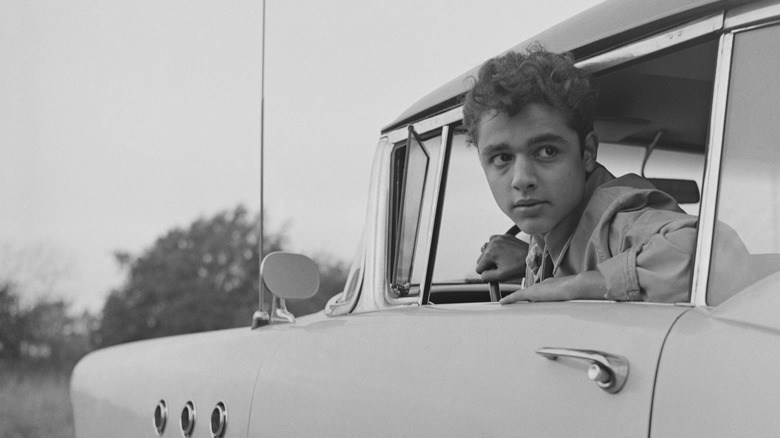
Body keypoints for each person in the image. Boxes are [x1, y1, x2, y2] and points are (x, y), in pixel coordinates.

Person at [463, 45, 698, 304]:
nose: (521, 180)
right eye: (502, 158)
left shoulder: (618, 223)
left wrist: (570, 287)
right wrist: (532, 261)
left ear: (587, 152)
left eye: (546, 151)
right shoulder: (553, 224)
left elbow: (710, 258)